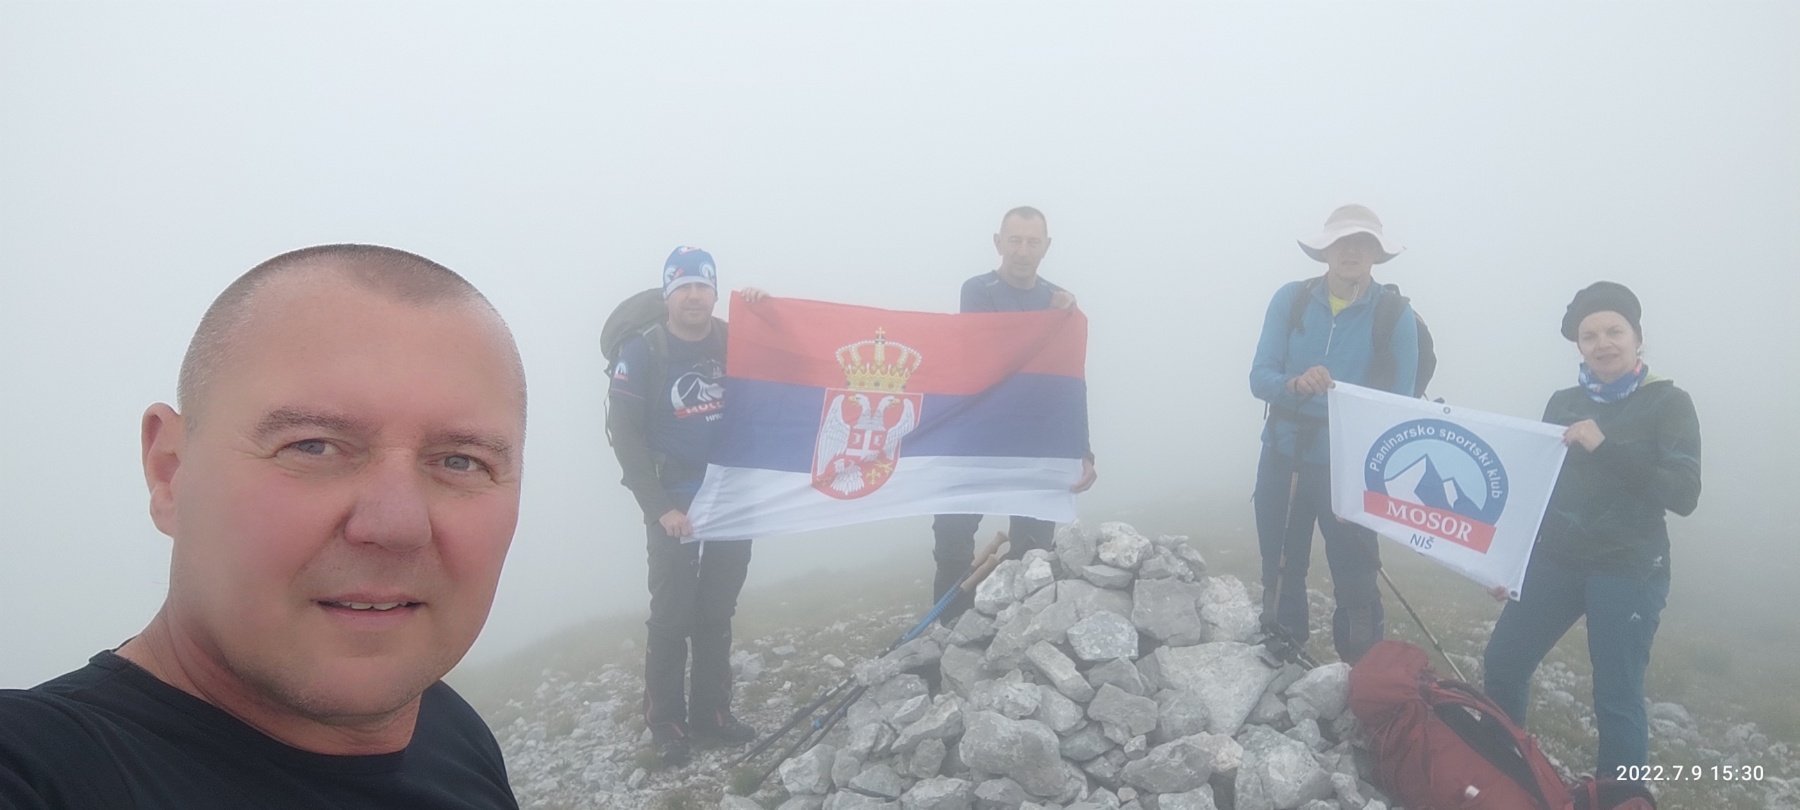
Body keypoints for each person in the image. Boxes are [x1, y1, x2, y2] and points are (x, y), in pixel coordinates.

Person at [0, 244, 526, 808]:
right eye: (313, 446)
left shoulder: (448, 730)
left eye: (461, 461)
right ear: (170, 471)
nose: (397, 526)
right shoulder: (38, 770)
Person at [1482, 281, 1701, 783]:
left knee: (1616, 694)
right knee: (1504, 662)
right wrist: (1509, 563)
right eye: (1590, 335)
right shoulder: (1563, 402)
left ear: (1637, 337)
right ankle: (1501, 776)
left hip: (1629, 566)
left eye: (1614, 331)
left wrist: (1605, 447)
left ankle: (1621, 797)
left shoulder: (1668, 402)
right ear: (1578, 346)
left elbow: (1684, 494)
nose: (1603, 343)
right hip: (1556, 559)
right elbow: (1538, 490)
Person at [607, 246, 768, 767]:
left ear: (715, 292)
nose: (694, 296)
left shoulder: (734, 338)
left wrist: (764, 312)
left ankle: (712, 714)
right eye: (684, 287)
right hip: (673, 497)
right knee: (672, 614)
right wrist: (659, 508)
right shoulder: (643, 350)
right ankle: (667, 724)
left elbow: (786, 363)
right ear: (668, 294)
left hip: (730, 495)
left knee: (717, 610)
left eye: (703, 286)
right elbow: (624, 435)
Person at [1249, 203, 1420, 664]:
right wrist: (1295, 384)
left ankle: (1360, 673)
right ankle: (1282, 660)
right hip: (1284, 455)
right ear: (1326, 250)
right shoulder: (1291, 299)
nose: (1351, 251)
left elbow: (1400, 406)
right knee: (1280, 566)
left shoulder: (1394, 315)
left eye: (1363, 243)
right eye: (1342, 242)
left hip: (1352, 466)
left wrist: (1366, 476)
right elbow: (1259, 377)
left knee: (1356, 576)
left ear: (1376, 254)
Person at [932, 206, 1098, 622]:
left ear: (1046, 247)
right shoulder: (978, 291)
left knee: (1033, 553)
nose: (1023, 251)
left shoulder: (1059, 302)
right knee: (952, 544)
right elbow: (991, 352)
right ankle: (945, 635)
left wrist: (1083, 450)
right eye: (1015, 240)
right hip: (973, 438)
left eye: (1033, 242)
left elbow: (1070, 382)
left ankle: (1018, 638)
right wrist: (1052, 320)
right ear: (998, 243)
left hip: (1034, 442)